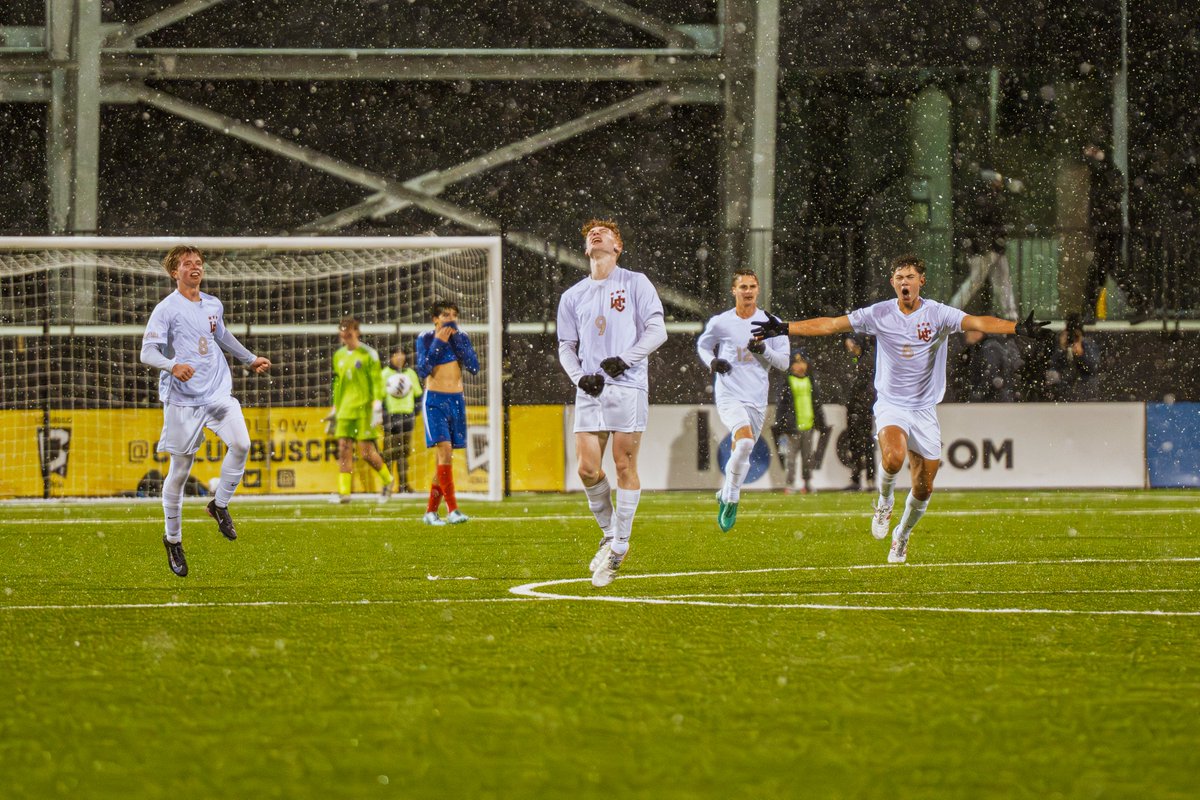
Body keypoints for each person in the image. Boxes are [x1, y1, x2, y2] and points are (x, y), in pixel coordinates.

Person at [752, 254, 1052, 564]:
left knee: (924, 488)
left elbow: (977, 322)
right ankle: (883, 502)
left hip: (924, 410)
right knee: (893, 459)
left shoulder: (938, 314)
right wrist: (785, 328)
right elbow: (831, 325)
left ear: (921, 281)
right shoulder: (880, 313)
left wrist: (1017, 328)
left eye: (910, 277)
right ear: (892, 283)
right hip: (891, 404)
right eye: (899, 277)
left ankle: (902, 536)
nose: (904, 282)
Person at [140, 245, 272, 577]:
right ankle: (173, 540)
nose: (195, 268)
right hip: (183, 400)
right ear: (175, 272)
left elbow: (221, 335)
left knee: (242, 444)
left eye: (198, 263)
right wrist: (172, 365)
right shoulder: (166, 309)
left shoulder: (213, 304)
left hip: (217, 392)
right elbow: (147, 353)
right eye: (187, 264)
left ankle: (219, 504)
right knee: (180, 473)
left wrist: (249, 358)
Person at [557, 218, 666, 587]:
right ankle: (609, 534)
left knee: (623, 464)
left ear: (617, 247)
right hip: (590, 390)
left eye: (605, 233)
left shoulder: (636, 283)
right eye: (591, 234)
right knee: (587, 470)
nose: (596, 235)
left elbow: (657, 330)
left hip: (628, 385)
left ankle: (620, 545)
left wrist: (627, 359)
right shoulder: (573, 296)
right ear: (587, 249)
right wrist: (578, 377)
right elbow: (565, 347)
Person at [696, 269, 790, 527]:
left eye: (752, 286)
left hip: (757, 398)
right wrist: (713, 361)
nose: (747, 291)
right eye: (743, 287)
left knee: (743, 448)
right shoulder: (721, 322)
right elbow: (703, 345)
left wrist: (764, 349)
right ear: (733, 291)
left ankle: (725, 491)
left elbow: (783, 363)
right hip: (729, 393)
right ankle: (732, 498)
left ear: (758, 290)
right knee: (746, 443)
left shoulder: (772, 323)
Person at [415, 299, 479, 525]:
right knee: (445, 449)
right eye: (445, 314)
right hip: (435, 401)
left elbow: (474, 366)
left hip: (457, 401)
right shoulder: (425, 338)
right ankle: (453, 510)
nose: (450, 318)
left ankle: (430, 512)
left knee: (444, 458)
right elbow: (423, 369)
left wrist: (458, 342)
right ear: (435, 319)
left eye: (453, 314)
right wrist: (438, 344)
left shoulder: (461, 338)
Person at [325, 317, 393, 504]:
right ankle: (344, 493)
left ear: (357, 332)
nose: (345, 336)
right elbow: (338, 383)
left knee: (366, 453)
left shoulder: (368, 354)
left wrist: (377, 403)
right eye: (343, 332)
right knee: (344, 449)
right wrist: (335, 407)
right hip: (345, 410)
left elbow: (377, 380)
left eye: (349, 332)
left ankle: (388, 480)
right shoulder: (338, 355)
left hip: (364, 409)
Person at [1081, 143, 1151, 323]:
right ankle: (1139, 304)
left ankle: (1090, 311)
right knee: (1108, 269)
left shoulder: (1106, 172)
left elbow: (1115, 190)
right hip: (1107, 228)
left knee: (1103, 270)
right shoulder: (1103, 173)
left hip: (1108, 229)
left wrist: (1101, 215)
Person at [949, 168, 1019, 319]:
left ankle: (1010, 313)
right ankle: (952, 309)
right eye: (996, 181)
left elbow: (986, 226)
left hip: (991, 248)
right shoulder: (985, 200)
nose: (999, 184)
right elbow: (986, 226)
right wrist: (991, 241)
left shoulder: (984, 199)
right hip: (987, 249)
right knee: (980, 281)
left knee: (1001, 280)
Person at [770, 351, 828, 496]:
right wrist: (782, 423)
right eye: (796, 362)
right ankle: (790, 483)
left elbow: (816, 403)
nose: (800, 366)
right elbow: (782, 405)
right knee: (791, 458)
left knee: (807, 457)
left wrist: (820, 422)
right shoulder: (787, 381)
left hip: (808, 424)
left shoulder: (810, 381)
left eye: (802, 362)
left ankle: (807, 482)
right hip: (793, 426)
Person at [380, 346, 422, 494]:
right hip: (390, 417)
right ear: (391, 357)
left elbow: (418, 394)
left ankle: (404, 485)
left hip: (406, 417)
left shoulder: (410, 373)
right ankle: (388, 484)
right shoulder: (384, 374)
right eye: (396, 354)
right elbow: (379, 396)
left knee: (404, 453)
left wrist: (415, 412)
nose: (399, 357)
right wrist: (383, 415)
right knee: (388, 454)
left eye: (402, 353)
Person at [842, 334, 876, 491]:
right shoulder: (857, 361)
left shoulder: (865, 362)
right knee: (857, 443)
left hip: (862, 408)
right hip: (856, 407)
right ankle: (860, 478)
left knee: (865, 442)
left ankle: (868, 478)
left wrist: (858, 403)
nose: (850, 349)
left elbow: (860, 384)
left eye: (853, 345)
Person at [951, 329, 1022, 402]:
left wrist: (975, 396)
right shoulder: (980, 347)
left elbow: (990, 377)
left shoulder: (989, 348)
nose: (966, 335)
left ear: (980, 332)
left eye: (970, 331)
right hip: (994, 401)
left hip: (991, 402)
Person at [1046, 314, 1100, 401]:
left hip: (1085, 390)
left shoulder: (1088, 344)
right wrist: (1062, 349)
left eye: (1076, 336)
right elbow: (1052, 366)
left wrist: (1081, 354)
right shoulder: (1060, 343)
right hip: (1064, 391)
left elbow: (1093, 368)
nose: (1073, 339)